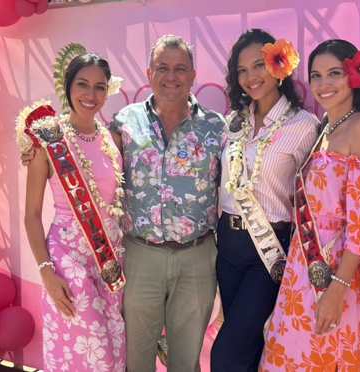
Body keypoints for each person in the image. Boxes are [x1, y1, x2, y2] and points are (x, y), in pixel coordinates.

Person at [259, 39, 360, 371]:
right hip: (301, 272)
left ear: (354, 76)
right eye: (315, 76)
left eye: (334, 73)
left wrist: (336, 290)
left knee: (326, 358)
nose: (323, 84)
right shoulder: (323, 130)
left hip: (334, 276)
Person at [108, 34, 225, 372]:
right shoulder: (124, 123)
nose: (171, 77)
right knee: (136, 361)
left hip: (197, 259)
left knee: (186, 362)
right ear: (148, 73)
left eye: (180, 69)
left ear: (192, 75)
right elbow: (97, 174)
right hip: (140, 257)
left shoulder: (217, 128)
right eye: (163, 67)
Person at [210, 29, 320, 371]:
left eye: (259, 65)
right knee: (247, 349)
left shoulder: (305, 126)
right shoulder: (233, 124)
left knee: (225, 354)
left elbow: (314, 197)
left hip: (269, 251)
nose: (250, 77)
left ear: (280, 65)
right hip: (227, 247)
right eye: (241, 70)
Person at [20, 53, 126, 372]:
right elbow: (31, 214)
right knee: (88, 351)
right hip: (68, 259)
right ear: (67, 87)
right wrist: (46, 271)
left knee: (114, 350)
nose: (90, 96)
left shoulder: (112, 139)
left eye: (99, 87)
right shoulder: (48, 141)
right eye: (82, 85)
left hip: (109, 261)